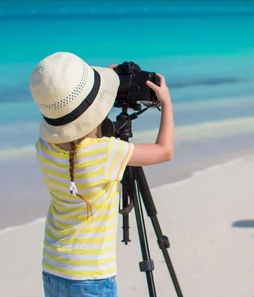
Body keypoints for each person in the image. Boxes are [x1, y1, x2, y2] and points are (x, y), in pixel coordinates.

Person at [29, 52, 174, 296]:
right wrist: (167, 104)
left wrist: (99, 94)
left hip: (54, 268)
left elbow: (81, 131)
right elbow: (164, 151)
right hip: (91, 276)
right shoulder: (107, 153)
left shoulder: (44, 147)